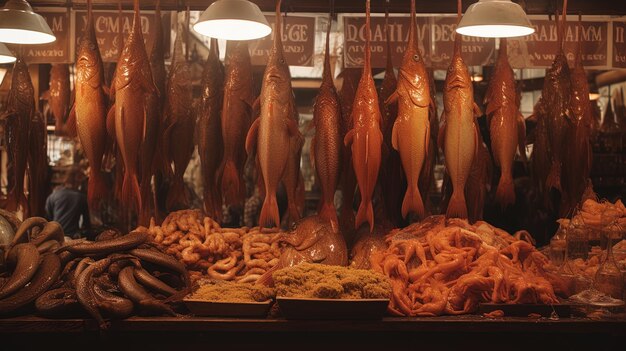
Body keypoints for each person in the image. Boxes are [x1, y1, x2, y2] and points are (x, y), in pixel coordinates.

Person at [45, 167, 91, 238]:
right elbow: (87, 225)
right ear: (79, 181)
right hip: (72, 238)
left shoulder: (53, 195)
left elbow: (48, 219)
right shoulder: (81, 197)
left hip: (55, 237)